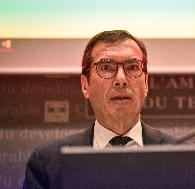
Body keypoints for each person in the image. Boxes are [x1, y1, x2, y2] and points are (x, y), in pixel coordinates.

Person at [22, 30, 174, 189]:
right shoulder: (48, 163)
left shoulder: (182, 158)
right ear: (85, 85)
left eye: (132, 67)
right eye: (107, 67)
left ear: (146, 84)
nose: (121, 79)